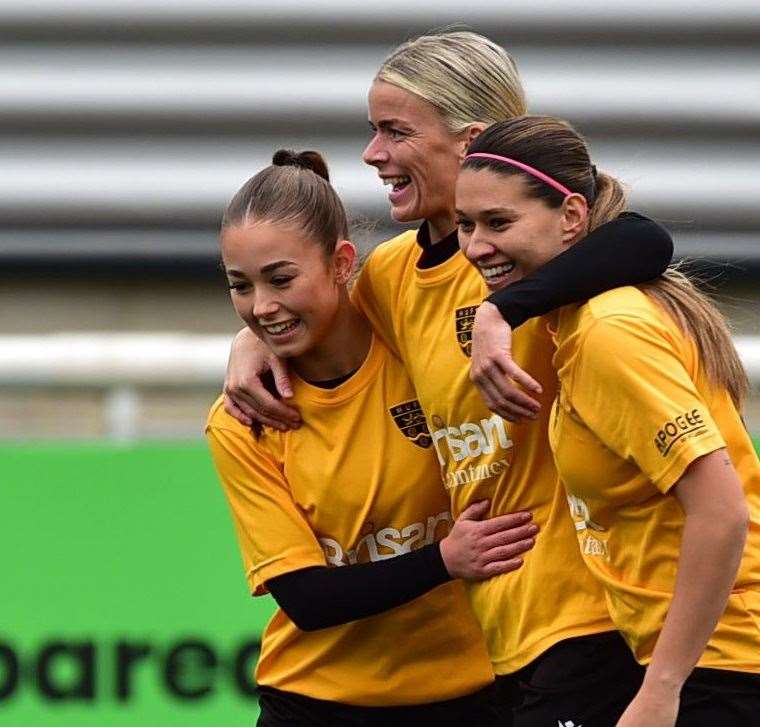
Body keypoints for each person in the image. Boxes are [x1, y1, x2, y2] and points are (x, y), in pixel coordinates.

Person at [223, 31, 676, 725]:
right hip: (502, 634)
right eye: (371, 132)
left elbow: (646, 238)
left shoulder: (522, 253)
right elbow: (313, 310)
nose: (372, 154)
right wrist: (249, 342)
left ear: (471, 143)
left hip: (585, 613)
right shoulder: (391, 274)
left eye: (395, 131)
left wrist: (503, 309)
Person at [458, 115, 760, 727]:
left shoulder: (610, 331)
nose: (477, 245)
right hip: (731, 666)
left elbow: (721, 511)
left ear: (571, 217)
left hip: (746, 667)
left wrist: (661, 688)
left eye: (499, 223)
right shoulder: (579, 318)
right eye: (466, 224)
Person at [206, 149, 541, 726]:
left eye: (281, 279)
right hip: (315, 704)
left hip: (475, 694)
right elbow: (308, 599)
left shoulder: (416, 345)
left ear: (341, 263)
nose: (261, 307)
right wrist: (445, 560)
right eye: (241, 286)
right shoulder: (243, 418)